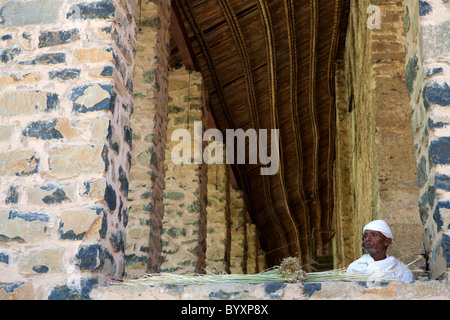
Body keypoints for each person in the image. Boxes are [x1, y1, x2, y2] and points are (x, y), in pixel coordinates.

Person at [346, 220, 414, 282]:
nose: (367, 239)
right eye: (365, 236)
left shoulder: (400, 270)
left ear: (387, 241)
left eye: (374, 235)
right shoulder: (355, 268)